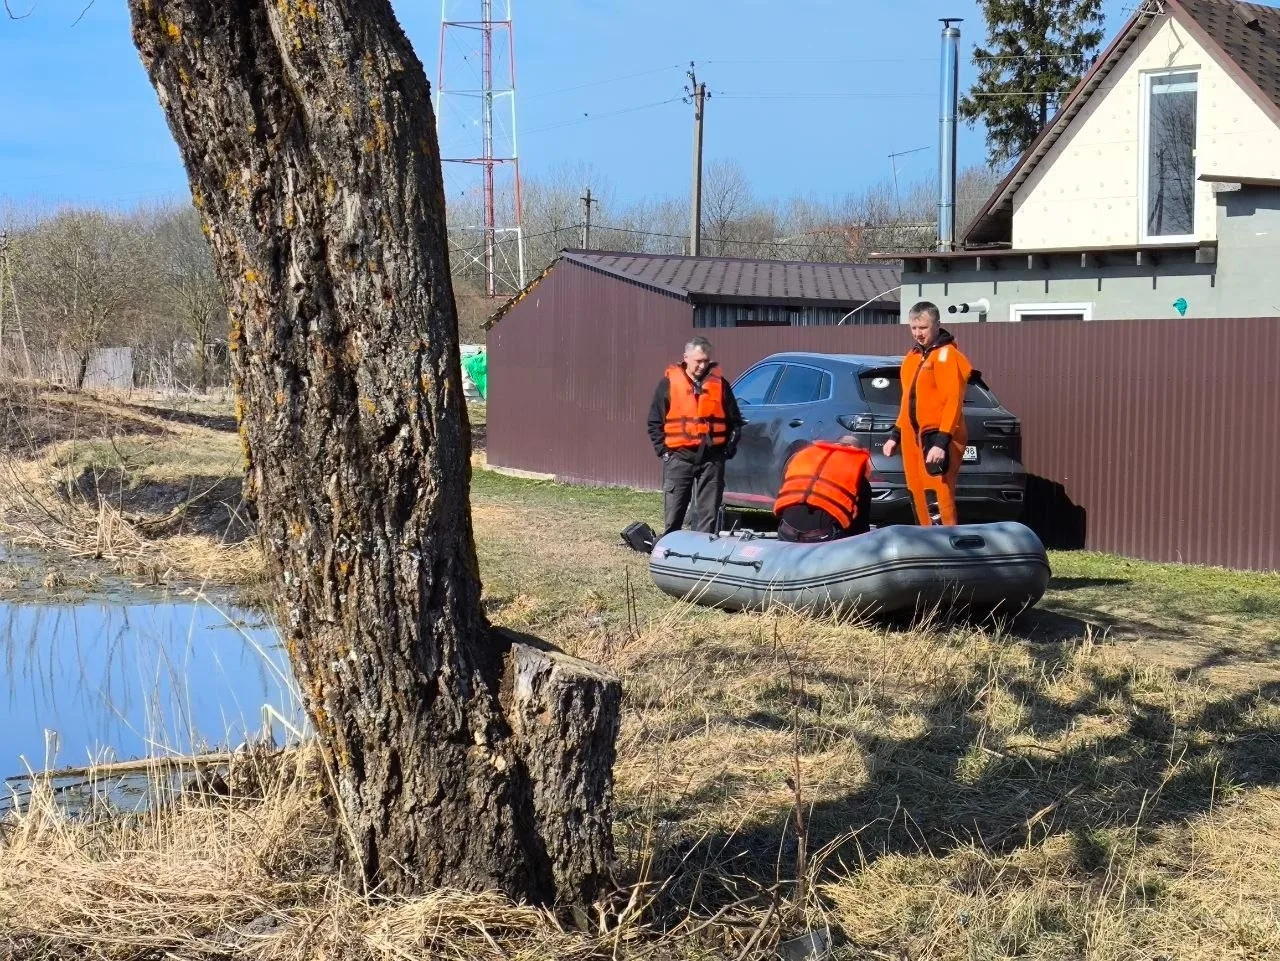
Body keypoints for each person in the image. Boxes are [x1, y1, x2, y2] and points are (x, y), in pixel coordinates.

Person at [882, 301, 973, 527]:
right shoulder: (912, 356)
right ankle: (925, 540)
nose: (918, 333)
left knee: (937, 493)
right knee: (916, 492)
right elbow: (907, 400)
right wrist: (895, 435)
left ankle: (945, 540)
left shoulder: (947, 355)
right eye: (913, 328)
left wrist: (942, 442)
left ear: (937, 325)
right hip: (912, 436)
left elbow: (953, 401)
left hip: (936, 435)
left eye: (923, 328)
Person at [647, 336, 745, 535]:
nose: (702, 366)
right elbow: (654, 421)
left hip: (712, 459)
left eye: (706, 361)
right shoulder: (668, 384)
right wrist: (664, 451)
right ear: (686, 358)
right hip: (679, 457)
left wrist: (727, 449)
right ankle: (672, 548)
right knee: (674, 515)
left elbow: (735, 421)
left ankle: (701, 550)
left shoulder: (720, 385)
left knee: (708, 516)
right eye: (698, 361)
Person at [773, 435, 873, 542]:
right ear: (857, 453)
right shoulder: (857, 475)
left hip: (785, 532)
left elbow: (783, 494)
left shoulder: (804, 458)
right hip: (819, 538)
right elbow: (861, 529)